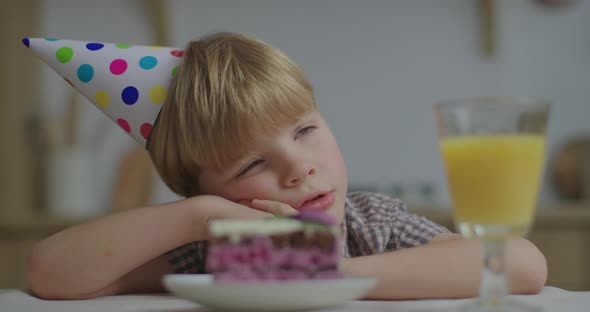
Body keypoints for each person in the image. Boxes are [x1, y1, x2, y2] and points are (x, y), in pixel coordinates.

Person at [24, 32, 547, 300]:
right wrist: (196, 216)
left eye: (304, 131)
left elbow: (520, 265)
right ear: (207, 192)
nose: (299, 168)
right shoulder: (214, 249)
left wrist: (329, 272)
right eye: (252, 163)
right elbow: (48, 274)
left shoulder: (370, 225)